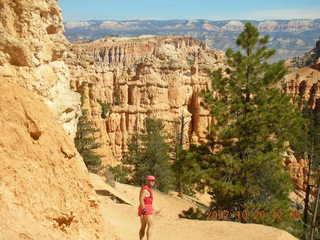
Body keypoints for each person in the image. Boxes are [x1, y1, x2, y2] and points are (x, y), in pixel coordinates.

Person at [138, 175, 156, 240]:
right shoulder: (146, 189)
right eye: (151, 180)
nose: (153, 182)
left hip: (144, 208)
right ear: (147, 181)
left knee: (143, 226)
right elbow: (141, 199)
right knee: (151, 225)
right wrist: (144, 209)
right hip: (146, 208)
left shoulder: (147, 188)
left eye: (153, 180)